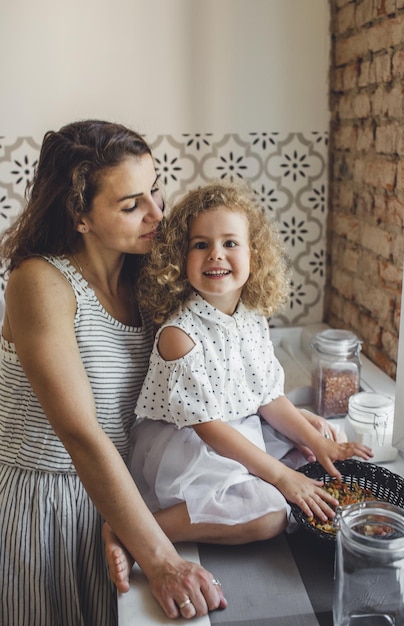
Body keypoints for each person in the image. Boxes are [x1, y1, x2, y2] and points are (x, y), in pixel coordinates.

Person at [0, 120, 227, 626]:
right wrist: (162, 558)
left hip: (126, 497)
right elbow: (81, 433)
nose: (156, 213)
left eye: (155, 191)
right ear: (79, 216)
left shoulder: (143, 273)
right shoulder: (39, 282)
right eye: (131, 205)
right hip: (50, 507)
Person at [104, 180, 373, 589]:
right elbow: (210, 429)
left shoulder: (251, 317)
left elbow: (268, 398)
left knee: (315, 440)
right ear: (181, 256)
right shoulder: (180, 335)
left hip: (238, 426)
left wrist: (321, 445)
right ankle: (139, 532)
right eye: (200, 245)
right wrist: (280, 479)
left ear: (253, 255)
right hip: (191, 445)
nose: (216, 254)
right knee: (269, 514)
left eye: (231, 243)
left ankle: (300, 459)